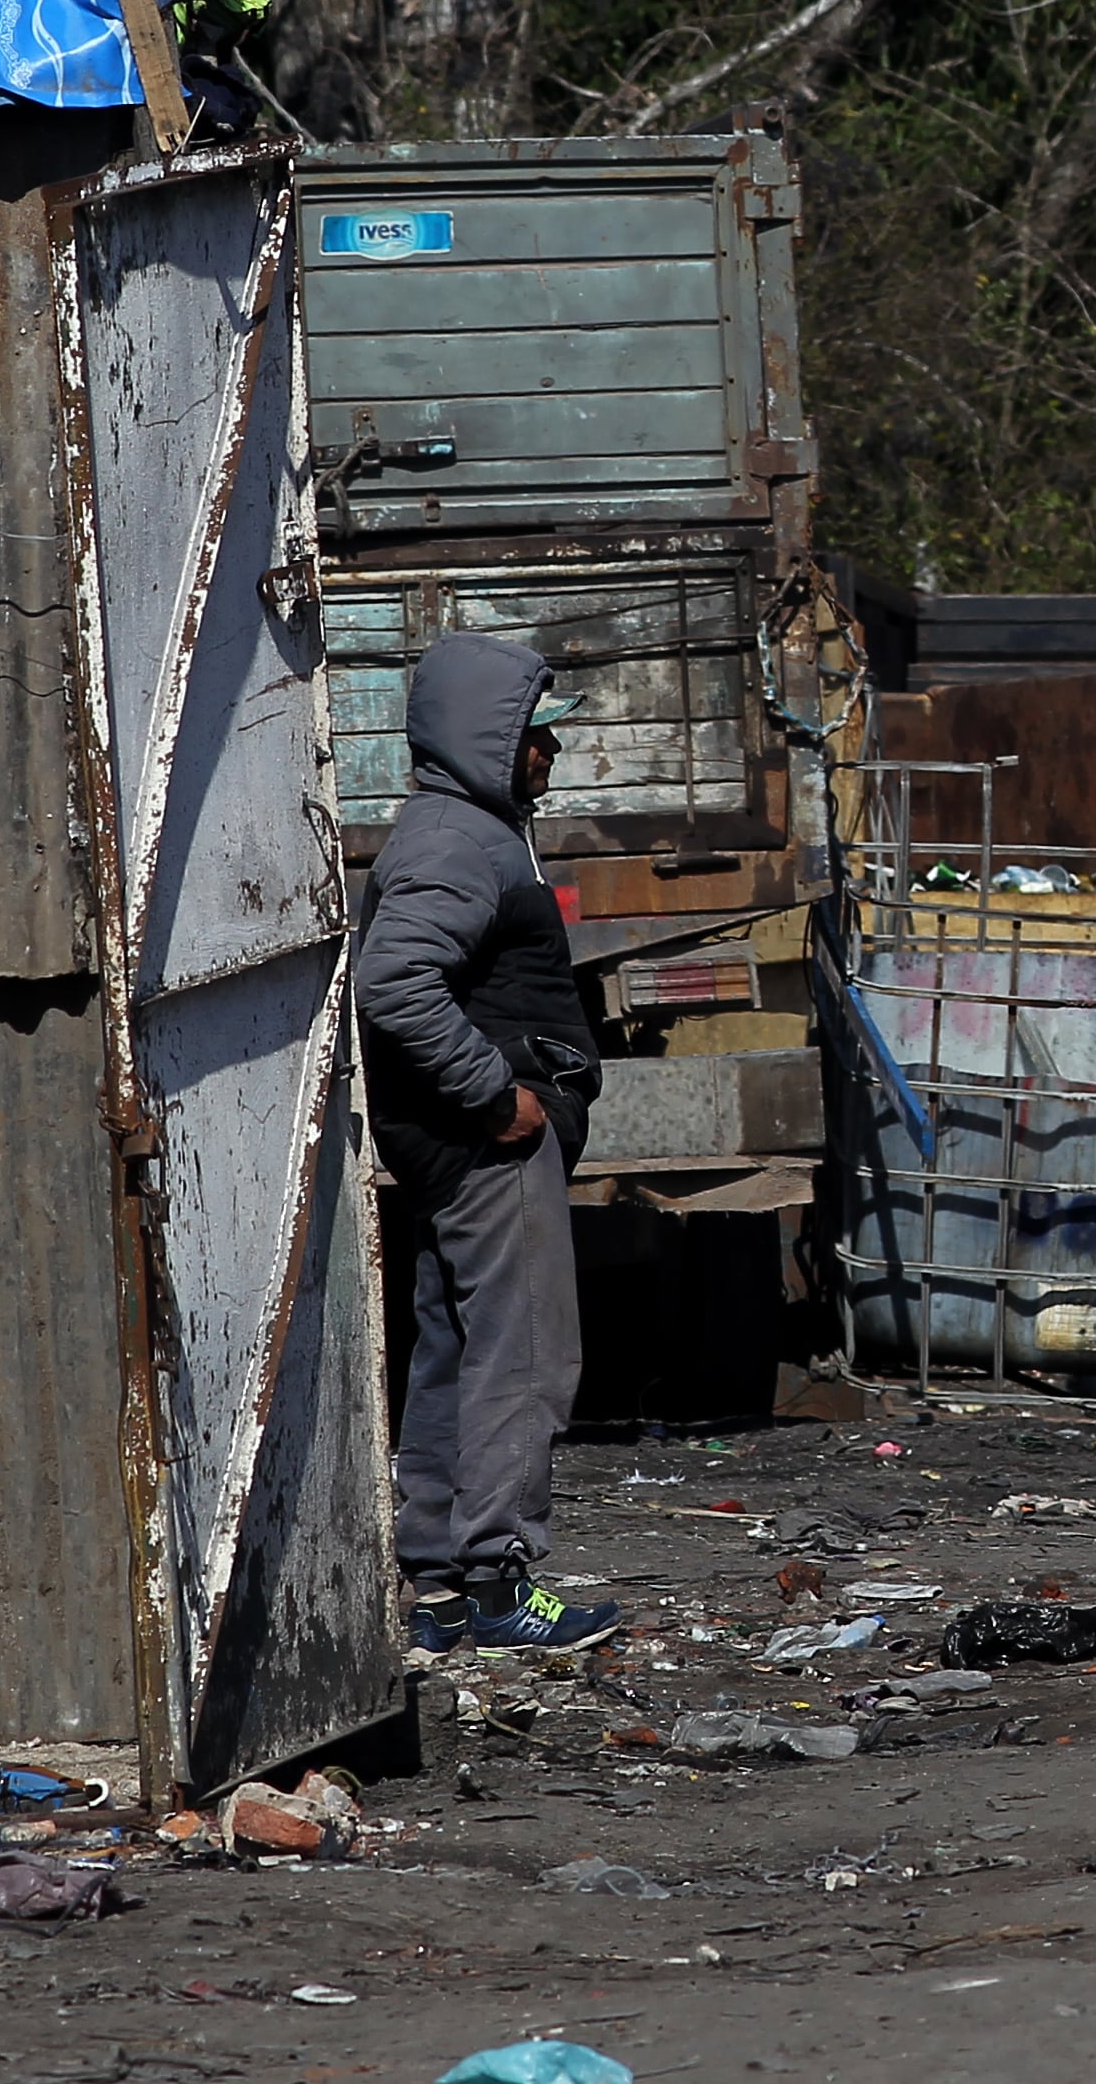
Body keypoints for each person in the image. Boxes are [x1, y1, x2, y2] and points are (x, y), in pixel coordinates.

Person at [356, 629, 622, 1655]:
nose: (548, 754)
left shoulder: (459, 826)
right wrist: (494, 1098)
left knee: (456, 1352)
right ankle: (502, 1580)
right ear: (489, 738)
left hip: (452, 1144)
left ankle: (440, 1584)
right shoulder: (459, 841)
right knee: (525, 1357)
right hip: (484, 1146)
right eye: (534, 736)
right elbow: (394, 984)